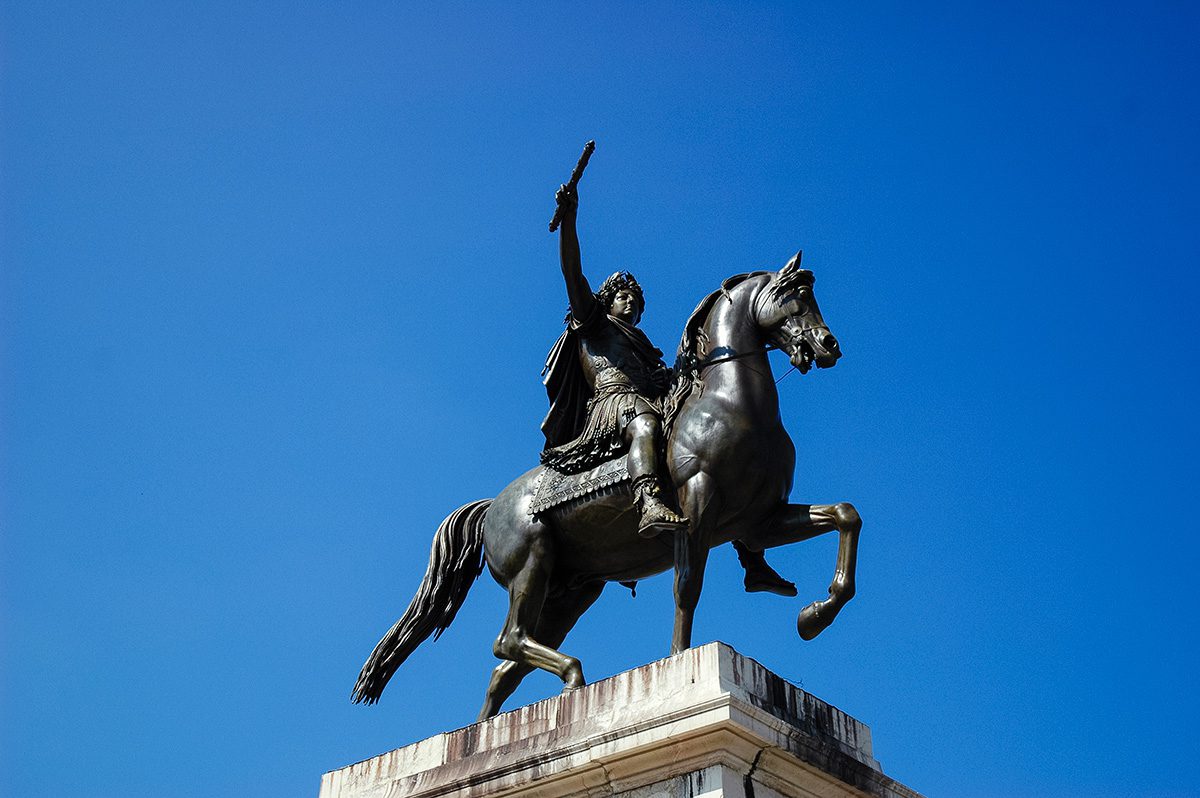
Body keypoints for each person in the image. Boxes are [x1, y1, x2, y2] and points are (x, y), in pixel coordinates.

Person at [540, 182, 685, 537]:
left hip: (647, 398)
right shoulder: (594, 322)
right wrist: (570, 219)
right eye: (623, 296)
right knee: (646, 426)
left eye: (635, 299)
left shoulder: (645, 346)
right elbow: (572, 273)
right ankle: (649, 501)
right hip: (614, 401)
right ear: (607, 301)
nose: (630, 302)